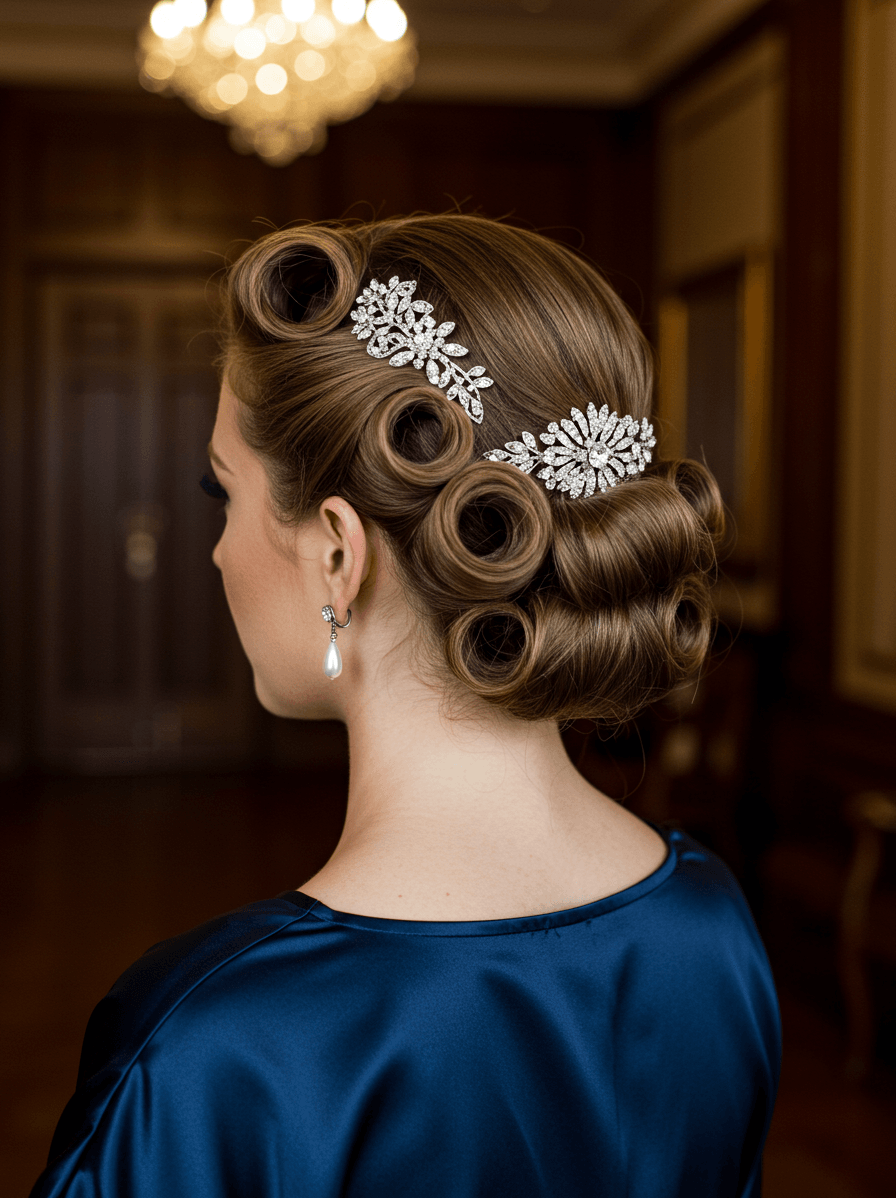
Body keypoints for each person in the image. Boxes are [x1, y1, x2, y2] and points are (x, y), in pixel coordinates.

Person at [30, 214, 781, 1197]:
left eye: (224, 493)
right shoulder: (712, 923)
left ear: (339, 553)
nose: (216, 549)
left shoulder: (211, 1049)